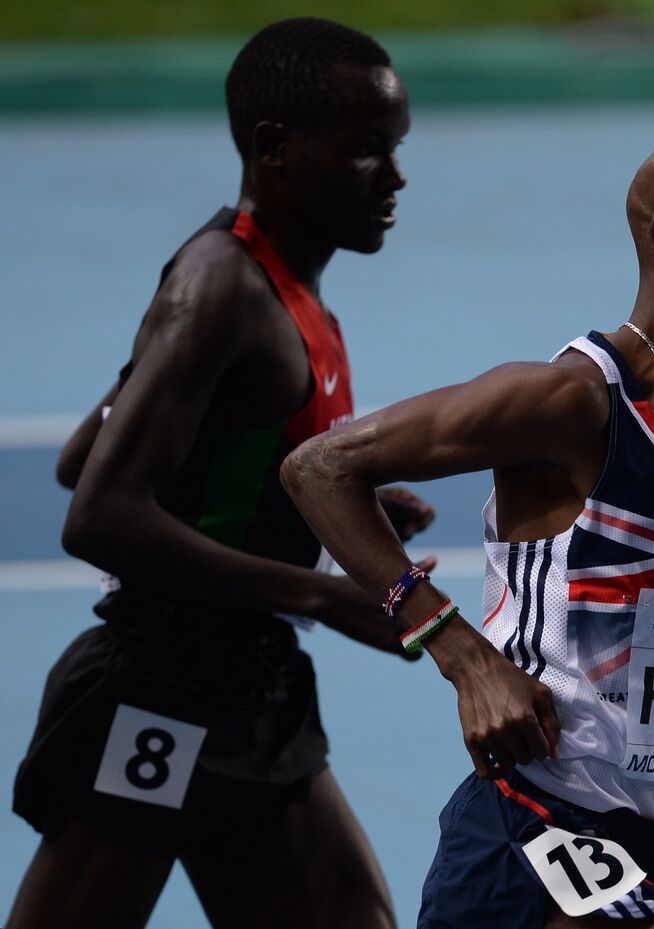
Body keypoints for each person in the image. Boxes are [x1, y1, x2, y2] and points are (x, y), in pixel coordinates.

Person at [281, 127, 654, 927]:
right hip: (531, 830)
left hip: (647, 840)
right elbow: (319, 468)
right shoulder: (574, 404)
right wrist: (463, 654)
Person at [7, 18, 432, 929]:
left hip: (247, 682)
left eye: (394, 150)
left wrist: (302, 496)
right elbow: (96, 508)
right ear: (273, 148)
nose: (394, 180)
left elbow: (94, 446)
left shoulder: (272, 278)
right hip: (160, 689)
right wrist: (320, 594)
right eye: (365, 152)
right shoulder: (220, 289)